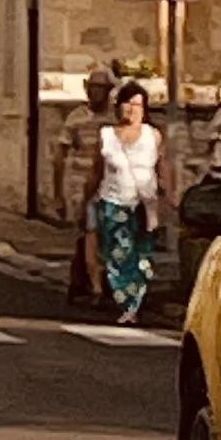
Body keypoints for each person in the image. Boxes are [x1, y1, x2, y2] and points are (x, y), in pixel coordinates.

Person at [86, 79, 175, 325]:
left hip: (144, 206)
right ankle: (127, 304)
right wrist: (87, 199)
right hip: (114, 203)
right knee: (119, 255)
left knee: (142, 255)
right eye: (128, 104)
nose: (132, 110)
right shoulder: (106, 136)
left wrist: (169, 195)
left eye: (138, 105)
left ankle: (135, 298)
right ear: (119, 107)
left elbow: (162, 166)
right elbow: (96, 172)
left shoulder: (153, 136)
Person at [61, 68, 117, 310]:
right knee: (87, 232)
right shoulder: (75, 118)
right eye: (93, 88)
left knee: (102, 234)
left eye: (101, 89)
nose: (96, 94)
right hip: (79, 182)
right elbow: (60, 154)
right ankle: (86, 282)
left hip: (108, 184)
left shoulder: (116, 119)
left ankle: (85, 280)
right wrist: (58, 192)